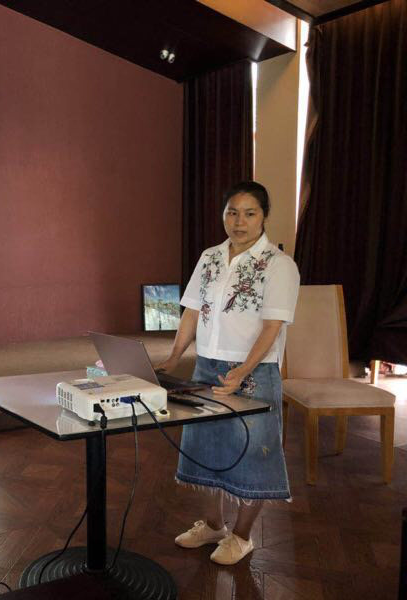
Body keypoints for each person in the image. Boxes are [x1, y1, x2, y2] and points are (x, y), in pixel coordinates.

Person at [156, 181, 299, 565]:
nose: (239, 221)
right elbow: (191, 311)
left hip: (254, 372)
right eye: (232, 212)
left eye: (250, 213)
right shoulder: (210, 257)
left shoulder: (279, 265)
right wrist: (174, 357)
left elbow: (272, 327)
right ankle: (213, 526)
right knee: (205, 448)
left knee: (253, 453)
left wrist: (242, 370)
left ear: (264, 217)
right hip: (206, 366)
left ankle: (242, 536)